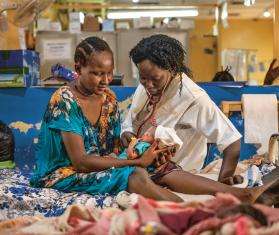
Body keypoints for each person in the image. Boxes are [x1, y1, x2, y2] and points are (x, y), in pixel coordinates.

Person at [30, 36, 274, 203]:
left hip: (102, 162)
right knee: (136, 175)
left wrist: (142, 149)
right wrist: (136, 159)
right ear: (78, 68)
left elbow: (113, 146)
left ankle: (234, 194)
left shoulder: (109, 99)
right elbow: (81, 162)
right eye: (96, 74)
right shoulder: (65, 101)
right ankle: (191, 210)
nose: (105, 81)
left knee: (152, 157)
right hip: (65, 172)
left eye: (108, 74)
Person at [121, 34, 243, 185]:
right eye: (143, 78)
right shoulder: (145, 87)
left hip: (176, 176)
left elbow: (232, 142)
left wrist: (223, 183)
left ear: (172, 69)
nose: (149, 85)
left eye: (155, 79)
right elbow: (131, 121)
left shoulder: (194, 99)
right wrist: (126, 132)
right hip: (140, 169)